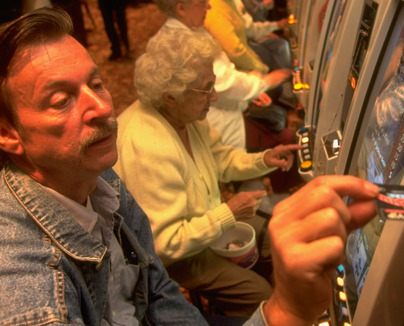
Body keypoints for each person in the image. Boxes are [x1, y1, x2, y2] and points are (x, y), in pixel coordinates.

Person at [0, 6, 380, 326]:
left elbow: (152, 288)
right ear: (4, 134)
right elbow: (167, 255)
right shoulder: (10, 283)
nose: (99, 108)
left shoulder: (100, 180)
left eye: (96, 84)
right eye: (61, 101)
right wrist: (285, 313)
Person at [113, 26, 299, 317]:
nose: (214, 98)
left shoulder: (184, 115)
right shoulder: (148, 146)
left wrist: (265, 159)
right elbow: (165, 245)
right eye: (206, 89)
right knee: (262, 298)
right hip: (177, 258)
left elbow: (222, 160)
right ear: (170, 96)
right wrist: (229, 213)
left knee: (280, 234)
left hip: (205, 226)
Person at [152, 0, 290, 151]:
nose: (208, 7)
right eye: (202, 2)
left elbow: (223, 76)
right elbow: (224, 85)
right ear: (181, 9)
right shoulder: (183, 44)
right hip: (212, 125)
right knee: (286, 139)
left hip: (223, 109)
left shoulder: (190, 29)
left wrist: (250, 91)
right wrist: (264, 82)